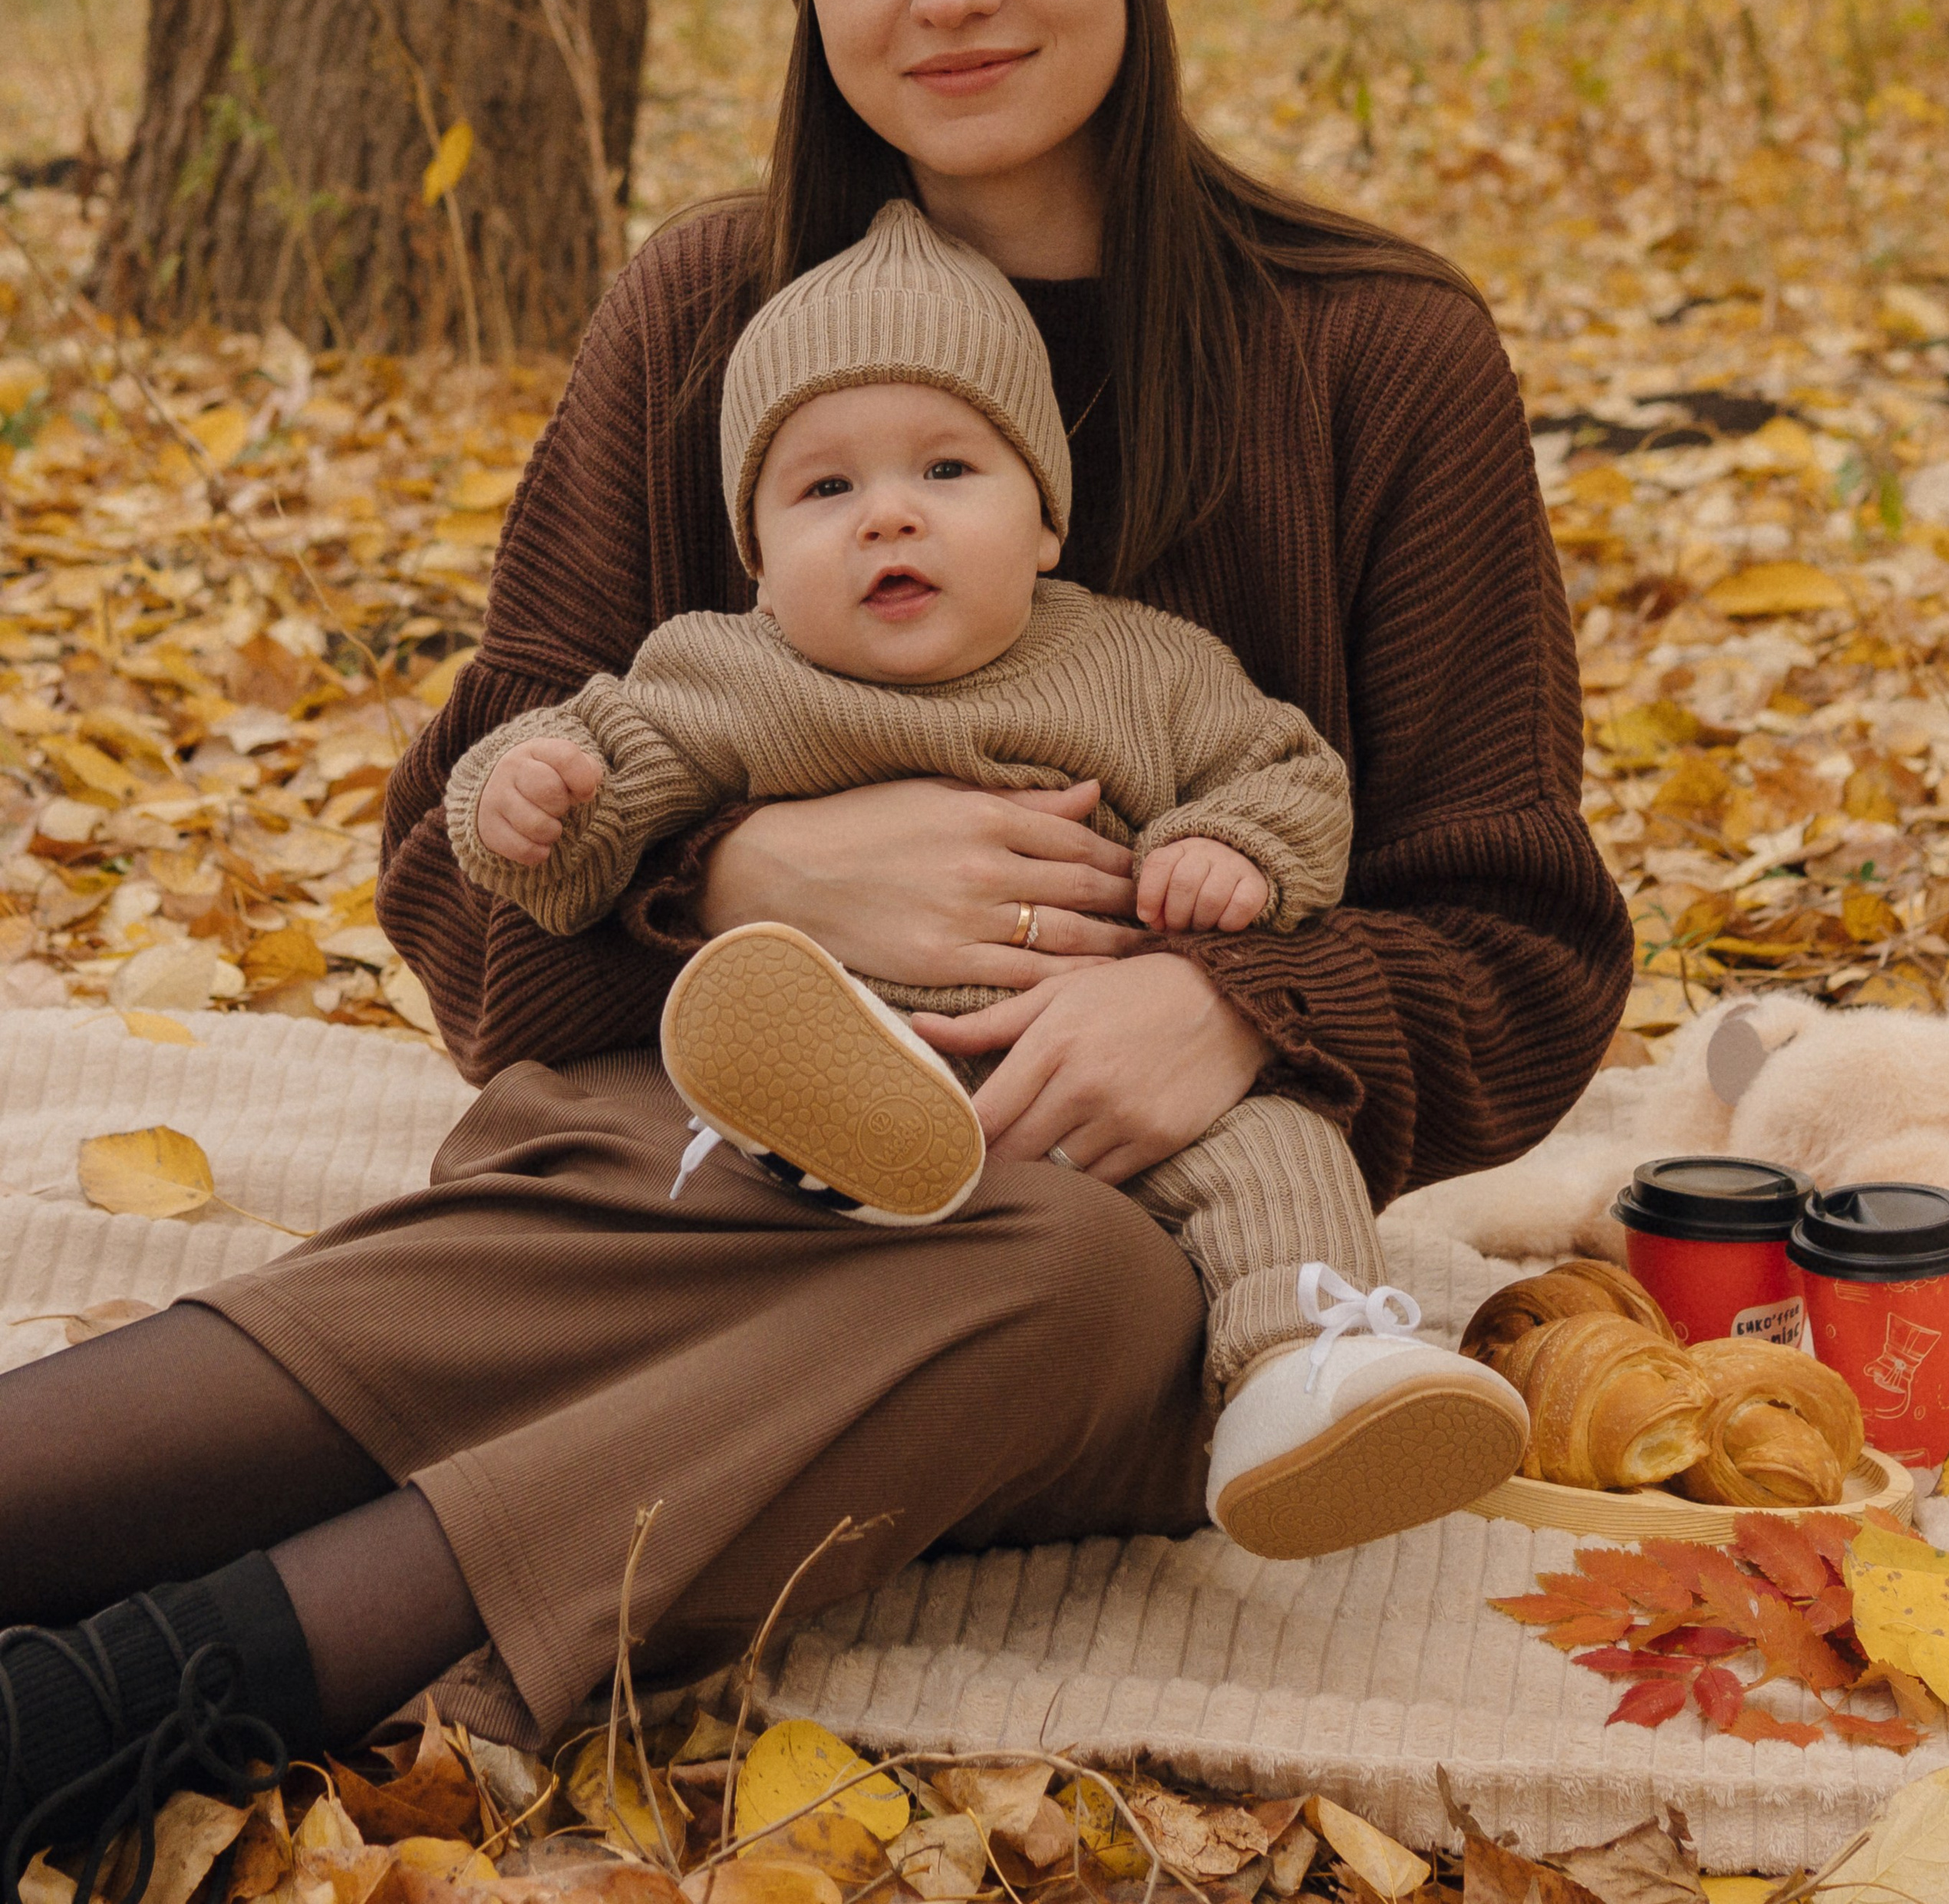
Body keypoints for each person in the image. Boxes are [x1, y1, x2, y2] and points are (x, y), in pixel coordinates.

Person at [0, 0, 1630, 1897]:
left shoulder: (1379, 354)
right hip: (688, 1156)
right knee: (639, 1236)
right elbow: (459, 883)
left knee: (1066, 1277)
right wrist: (723, 871)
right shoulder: (704, 316)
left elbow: (1527, 941)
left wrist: (1237, 1007)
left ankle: (148, 1694)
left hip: (1140, 1262)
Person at [447, 193, 1532, 1550]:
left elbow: (1294, 777)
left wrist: (1230, 850)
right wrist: (529, 798)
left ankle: (1304, 1375)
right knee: (714, 1106)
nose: (888, 517)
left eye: (948, 473)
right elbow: (589, 807)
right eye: (826, 488)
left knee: (1278, 1149)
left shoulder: (1142, 666)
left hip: (1091, 1081)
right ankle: (834, 1157)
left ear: (1046, 523)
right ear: (759, 558)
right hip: (841, 1049)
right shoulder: (725, 674)